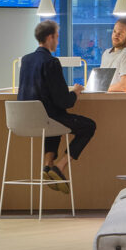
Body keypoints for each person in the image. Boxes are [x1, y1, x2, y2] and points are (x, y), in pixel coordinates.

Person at [18, 20, 96, 190]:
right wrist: (75, 91)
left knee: (53, 122)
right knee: (89, 126)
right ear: (49, 37)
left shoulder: (25, 60)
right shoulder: (51, 62)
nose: (58, 41)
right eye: (57, 37)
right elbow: (64, 101)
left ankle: (47, 166)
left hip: (24, 120)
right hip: (47, 120)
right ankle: (59, 167)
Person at [99, 18, 126, 92]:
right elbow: (101, 81)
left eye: (120, 33)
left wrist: (100, 88)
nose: (115, 36)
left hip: (120, 100)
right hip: (104, 98)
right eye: (114, 32)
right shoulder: (106, 53)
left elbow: (124, 87)